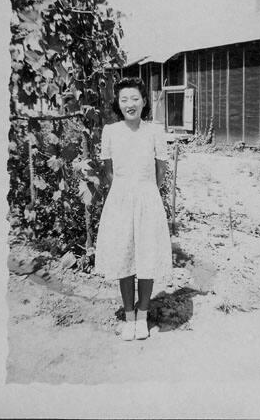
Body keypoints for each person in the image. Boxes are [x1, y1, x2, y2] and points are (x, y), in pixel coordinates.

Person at [95, 77, 172, 341]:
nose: (130, 104)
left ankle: (143, 315)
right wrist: (123, 192)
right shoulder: (111, 131)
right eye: (124, 99)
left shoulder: (154, 131)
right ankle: (129, 316)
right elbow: (108, 172)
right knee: (124, 256)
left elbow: (161, 169)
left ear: (144, 101)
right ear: (118, 103)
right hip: (120, 200)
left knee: (146, 256)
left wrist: (147, 190)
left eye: (135, 98)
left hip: (147, 197)